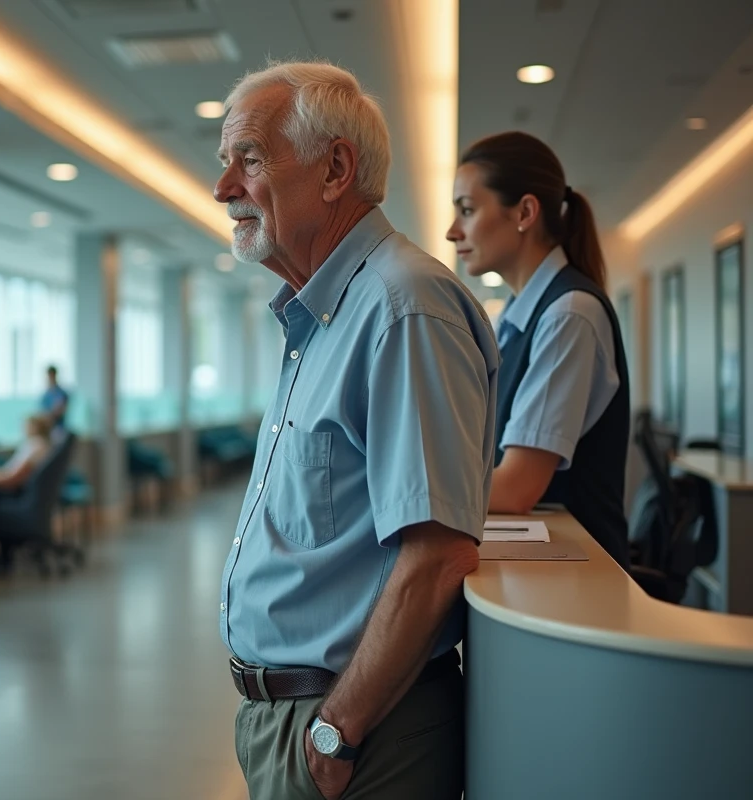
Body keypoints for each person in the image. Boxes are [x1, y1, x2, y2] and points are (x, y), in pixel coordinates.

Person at [215, 61, 498, 800]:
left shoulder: (403, 307)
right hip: (303, 721)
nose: (223, 190)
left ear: (334, 168)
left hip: (361, 733)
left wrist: (339, 730)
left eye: (248, 159)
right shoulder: (321, 315)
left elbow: (438, 555)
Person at [446, 131, 631, 569]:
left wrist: (410, 493)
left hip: (580, 579)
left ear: (525, 212)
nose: (453, 231)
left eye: (467, 211)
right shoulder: (517, 318)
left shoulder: (569, 314)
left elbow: (516, 488)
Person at [39, 366, 69, 430]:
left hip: (58, 428)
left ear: (55, 375)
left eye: (51, 376)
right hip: (47, 427)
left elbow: (59, 411)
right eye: (48, 376)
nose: (49, 378)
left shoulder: (61, 394)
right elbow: (42, 411)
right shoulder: (46, 394)